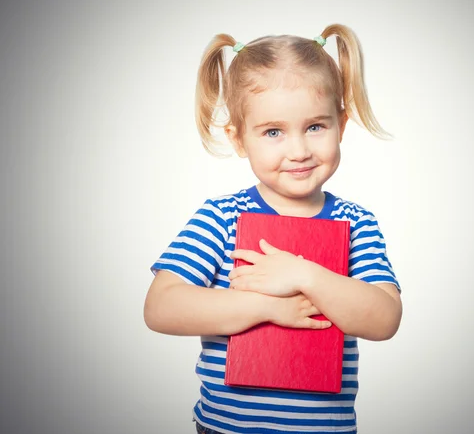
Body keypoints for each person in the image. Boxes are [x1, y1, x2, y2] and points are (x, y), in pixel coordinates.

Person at [144, 24, 403, 434]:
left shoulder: (356, 223)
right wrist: (268, 308)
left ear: (341, 124)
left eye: (316, 127)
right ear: (239, 139)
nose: (298, 150)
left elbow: (384, 319)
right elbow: (161, 308)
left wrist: (304, 274)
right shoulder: (222, 217)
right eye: (273, 132)